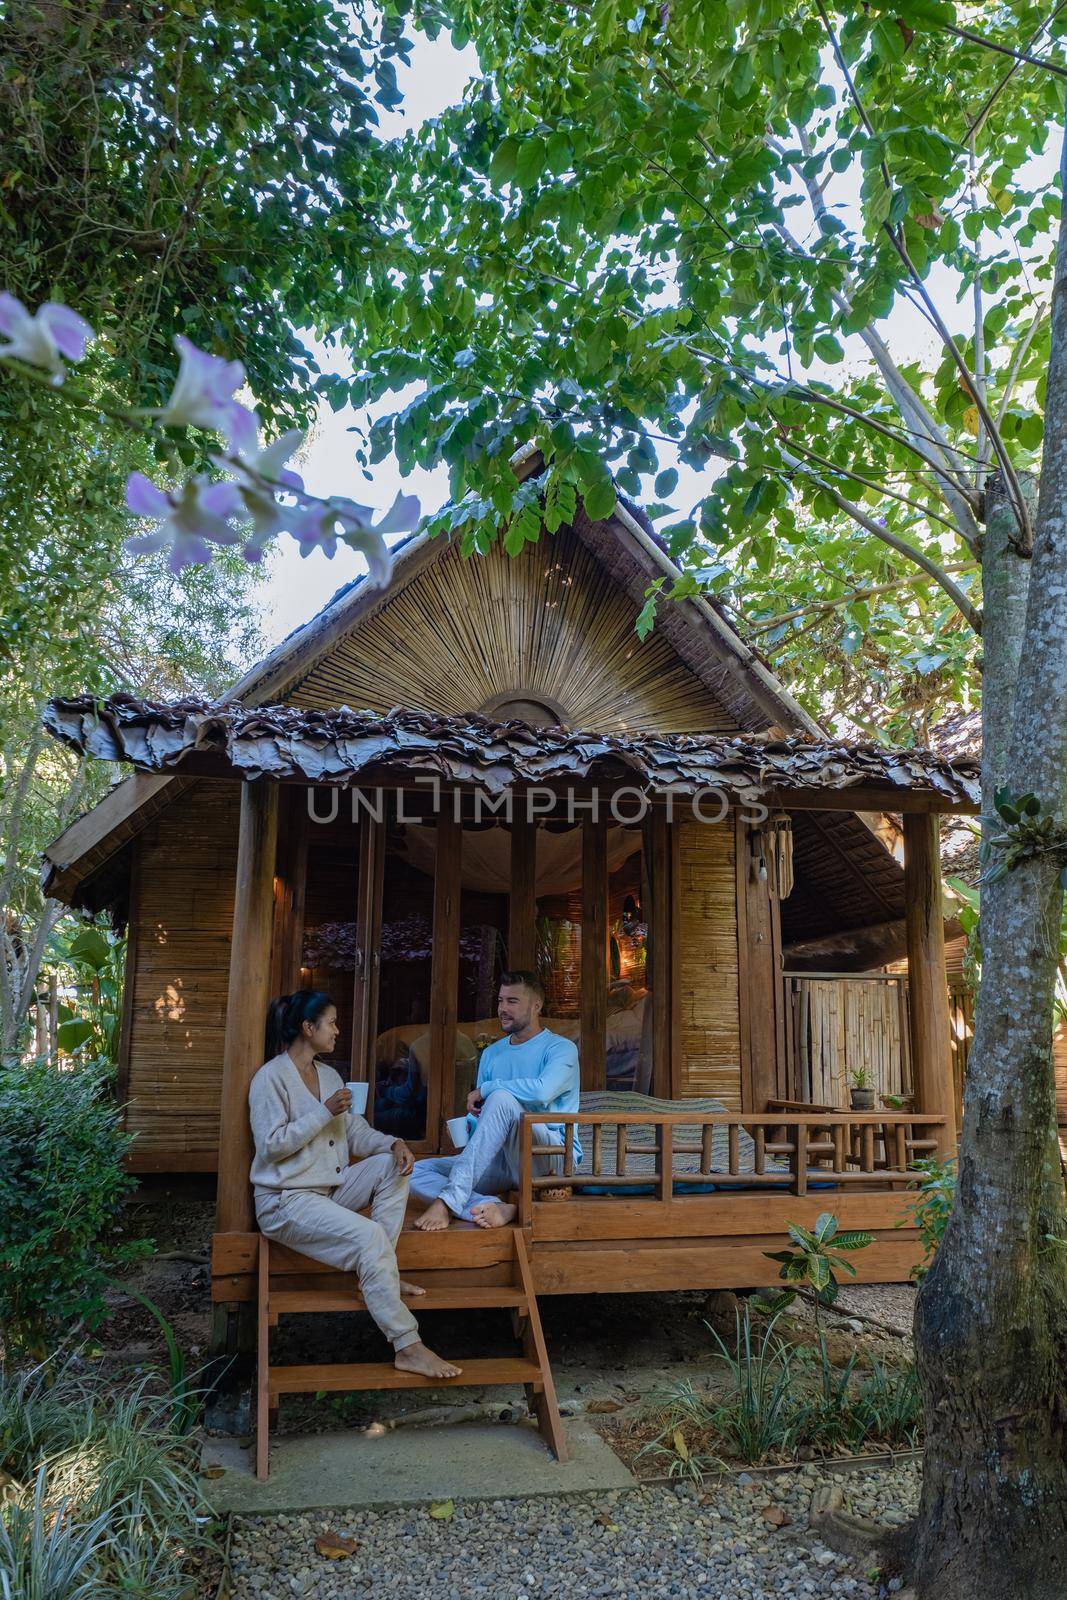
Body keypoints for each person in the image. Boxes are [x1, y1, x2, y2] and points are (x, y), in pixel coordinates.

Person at [249, 989, 461, 1380]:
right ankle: (407, 1345)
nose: (337, 1030)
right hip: (286, 1201)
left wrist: (394, 1144)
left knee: (391, 1167)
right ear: (307, 1027)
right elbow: (271, 1147)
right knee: (369, 1239)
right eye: (330, 1022)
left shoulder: (329, 1075)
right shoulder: (270, 1079)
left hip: (327, 1189)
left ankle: (379, 1277)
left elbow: (356, 1134)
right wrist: (322, 1111)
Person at [411, 971, 580, 1231]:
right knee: (415, 1171)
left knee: (500, 1097)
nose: (502, 1008)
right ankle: (495, 1205)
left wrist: (489, 1089)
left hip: (548, 1157)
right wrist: (469, 1125)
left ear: (536, 1006)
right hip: (500, 1161)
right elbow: (486, 1114)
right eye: (500, 1001)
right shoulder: (492, 1054)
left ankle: (448, 1202)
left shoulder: (561, 1048)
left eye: (512, 1001)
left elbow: (542, 1092)